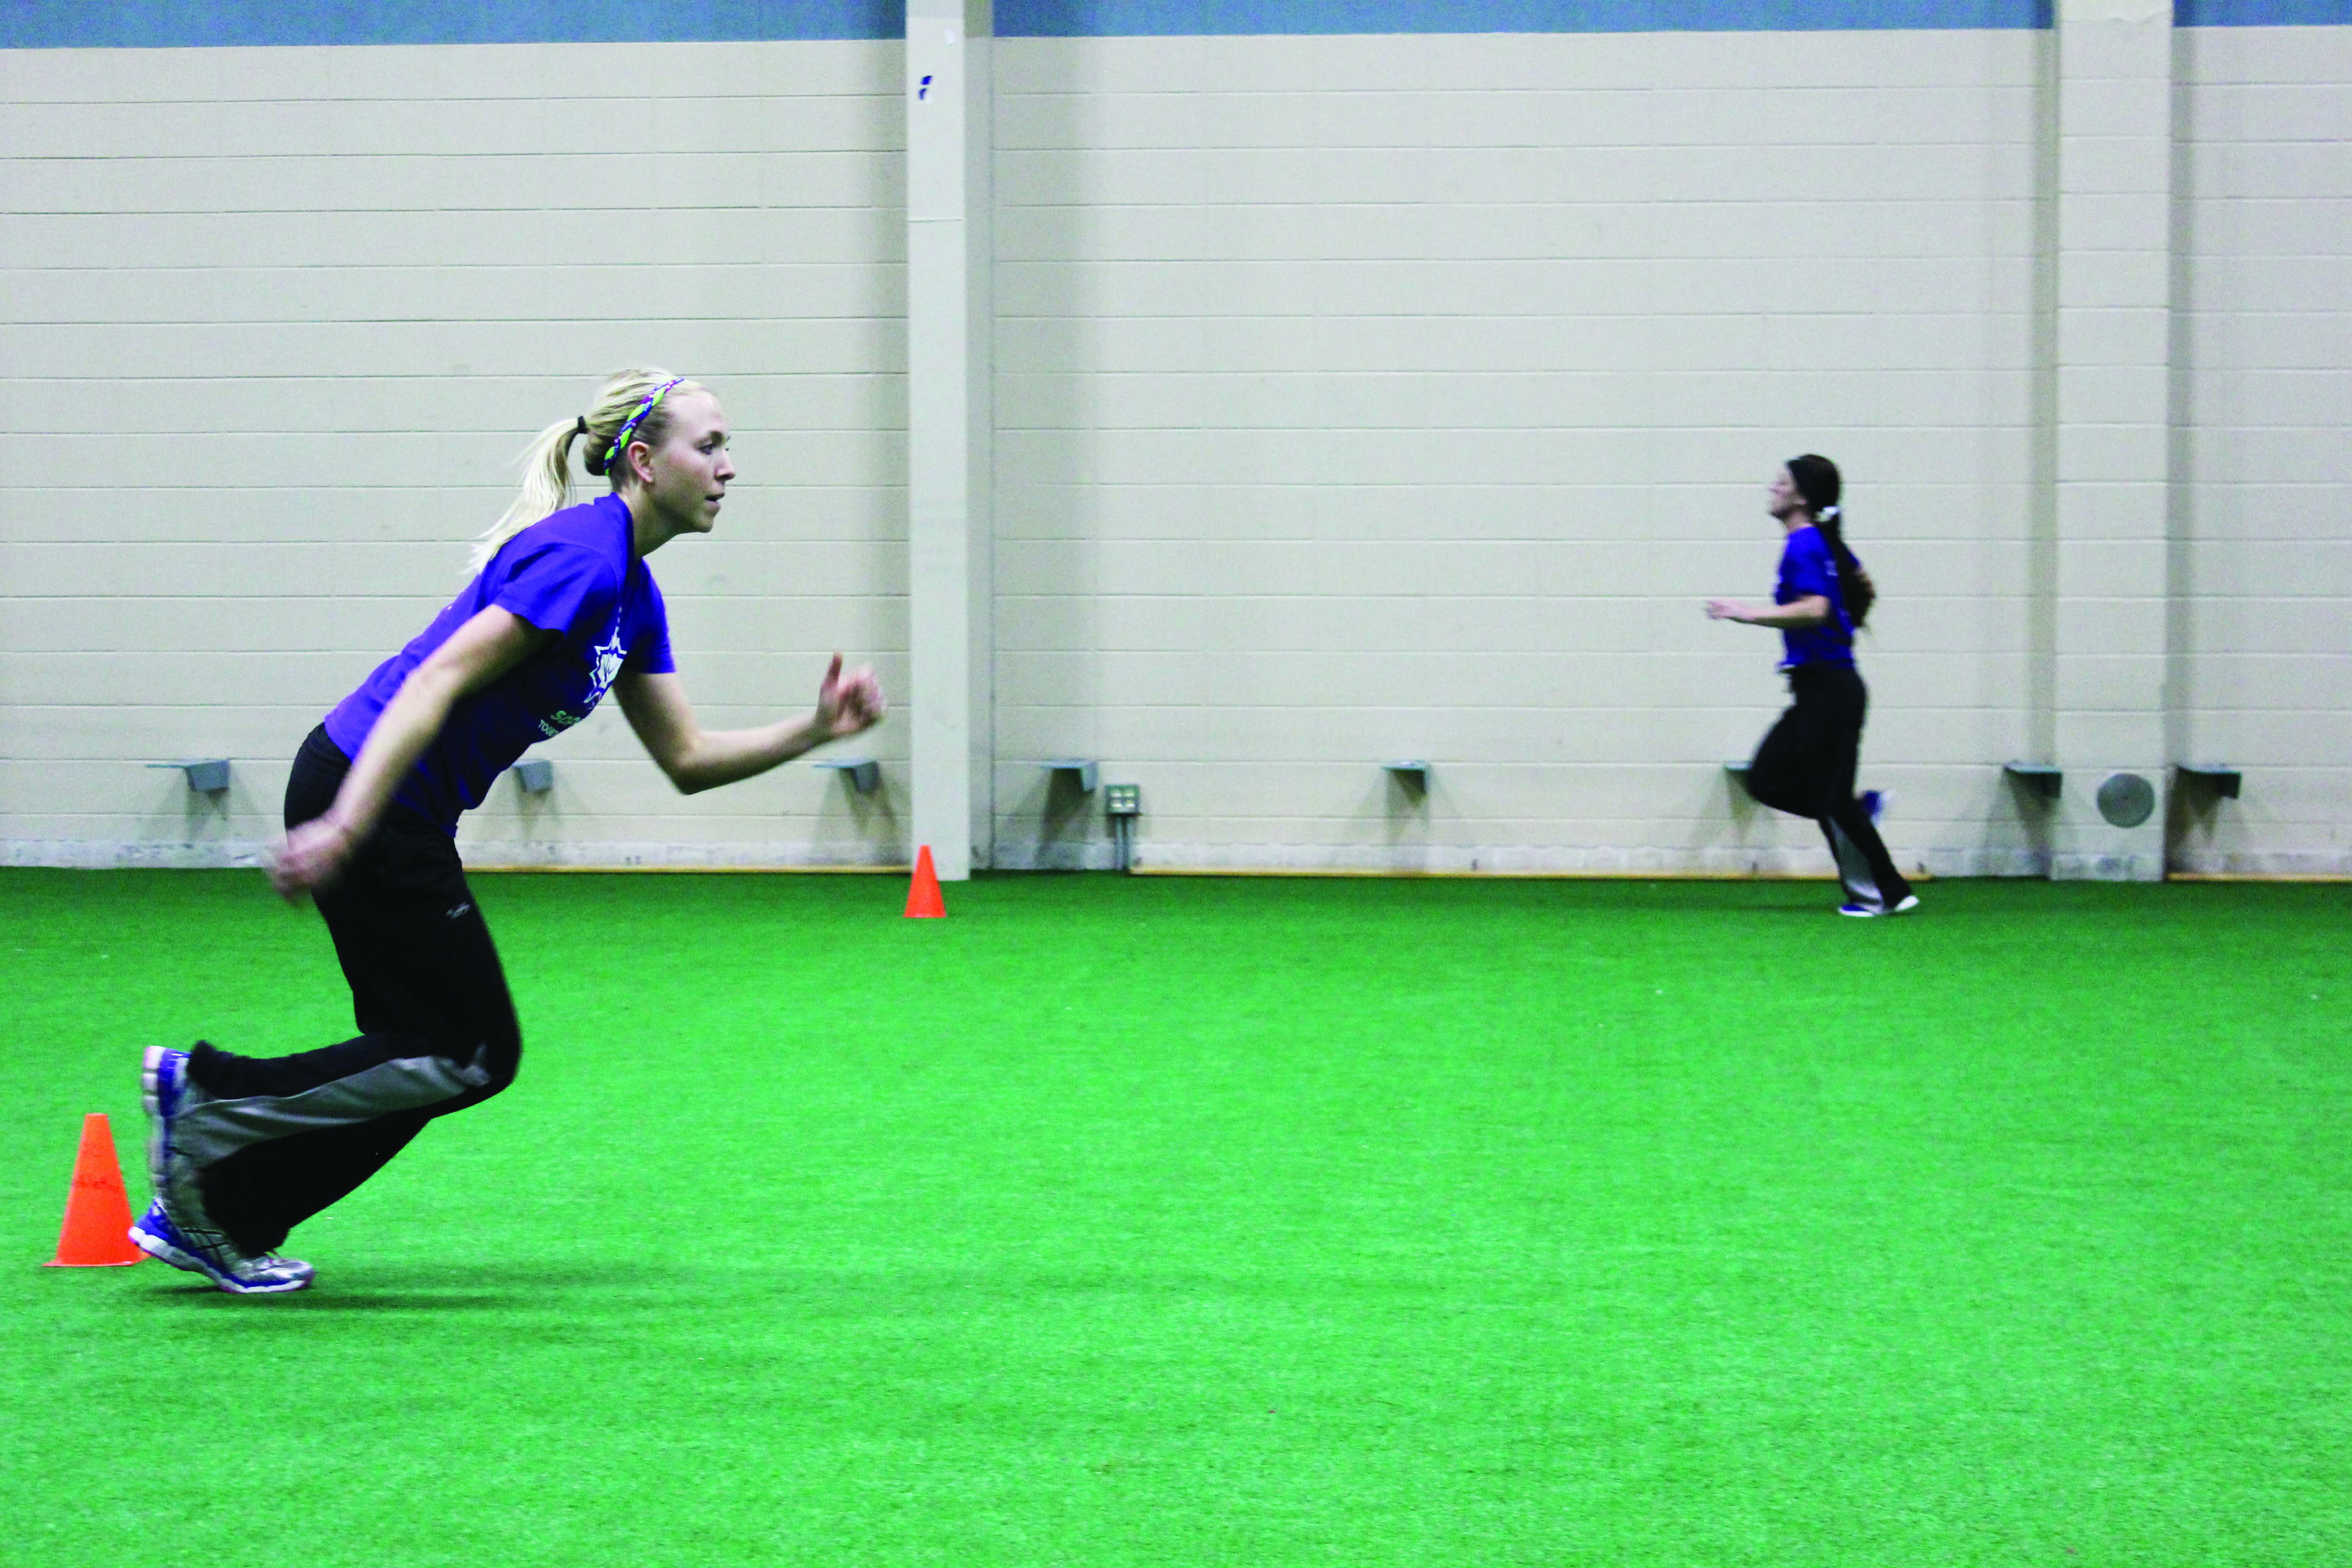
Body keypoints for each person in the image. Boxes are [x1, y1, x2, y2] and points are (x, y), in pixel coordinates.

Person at [132, 369, 887, 1294]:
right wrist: (347, 826)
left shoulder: (633, 594)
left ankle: (220, 1212)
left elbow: (688, 758)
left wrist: (815, 731)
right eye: (711, 446)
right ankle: (211, 1096)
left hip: (388, 804)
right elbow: (434, 682)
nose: (729, 468)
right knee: (469, 1050)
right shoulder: (586, 555)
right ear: (645, 463)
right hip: (371, 793)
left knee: (424, 1054)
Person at [1705, 455, 1916, 918]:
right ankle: (1862, 816)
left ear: (1801, 496)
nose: (1771, 489)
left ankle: (1882, 894)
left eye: (1780, 483)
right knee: (1767, 779)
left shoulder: (1803, 546)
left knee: (1831, 800)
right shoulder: (1824, 543)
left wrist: (1745, 612)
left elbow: (1816, 608)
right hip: (1818, 690)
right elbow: (1863, 585)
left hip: (1830, 689)